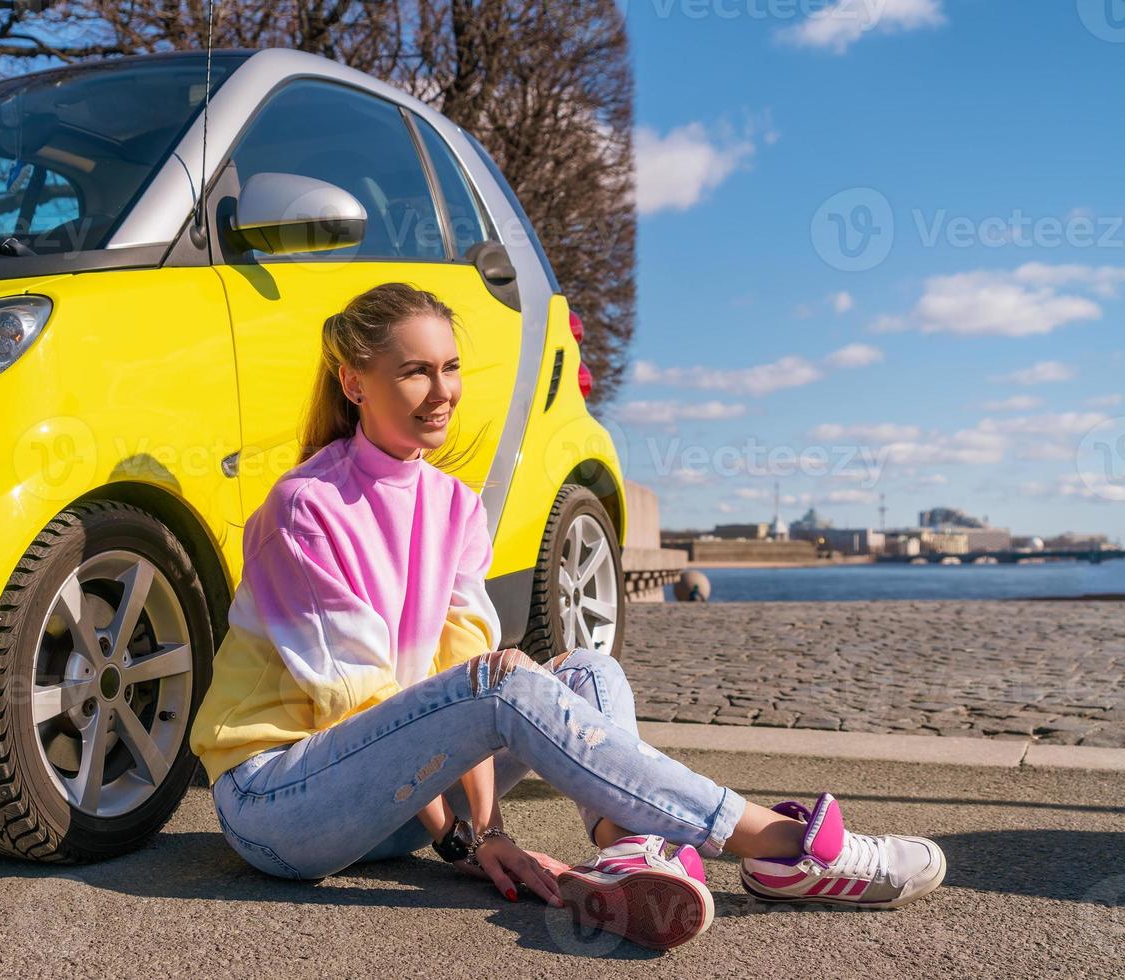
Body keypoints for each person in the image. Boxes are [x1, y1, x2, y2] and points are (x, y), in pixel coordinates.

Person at [187, 283, 945, 951]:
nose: (442, 391)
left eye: (450, 368)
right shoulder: (305, 508)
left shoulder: (452, 505)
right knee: (503, 682)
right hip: (281, 806)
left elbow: (457, 683)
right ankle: (780, 843)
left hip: (391, 807)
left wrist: (486, 833)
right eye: (414, 370)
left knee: (588, 669)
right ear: (354, 380)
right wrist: (461, 836)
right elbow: (364, 702)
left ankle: (629, 852)